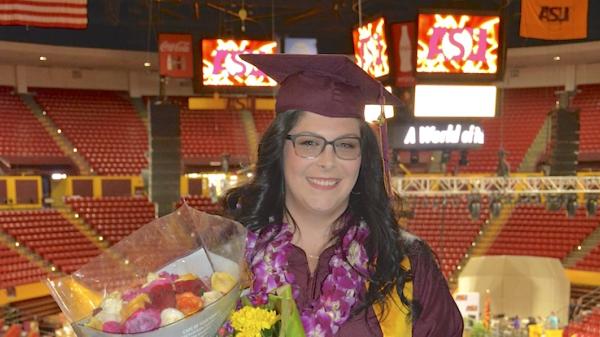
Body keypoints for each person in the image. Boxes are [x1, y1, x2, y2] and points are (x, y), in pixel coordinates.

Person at [224, 54, 463, 337]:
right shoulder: (226, 256)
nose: (328, 161)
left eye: (346, 145)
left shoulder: (405, 264)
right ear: (278, 150)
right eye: (309, 143)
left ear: (363, 157)